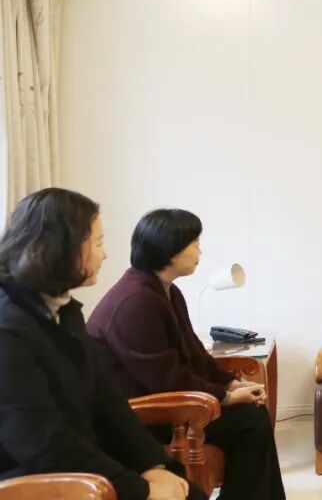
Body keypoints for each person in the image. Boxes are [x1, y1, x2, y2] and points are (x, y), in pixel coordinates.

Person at [0, 188, 205, 500]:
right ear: (61, 247)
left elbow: (109, 404)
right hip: (35, 483)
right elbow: (43, 444)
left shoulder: (63, 311)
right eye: (97, 243)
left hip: (80, 466)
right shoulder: (8, 331)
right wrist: (142, 489)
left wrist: (154, 465)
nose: (104, 255)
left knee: (187, 492)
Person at [86, 209, 285, 500]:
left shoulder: (166, 292)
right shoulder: (136, 302)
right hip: (141, 414)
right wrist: (225, 397)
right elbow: (166, 379)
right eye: (194, 243)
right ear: (169, 249)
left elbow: (196, 354)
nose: (199, 251)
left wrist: (231, 383)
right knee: (248, 422)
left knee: (252, 414)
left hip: (167, 401)